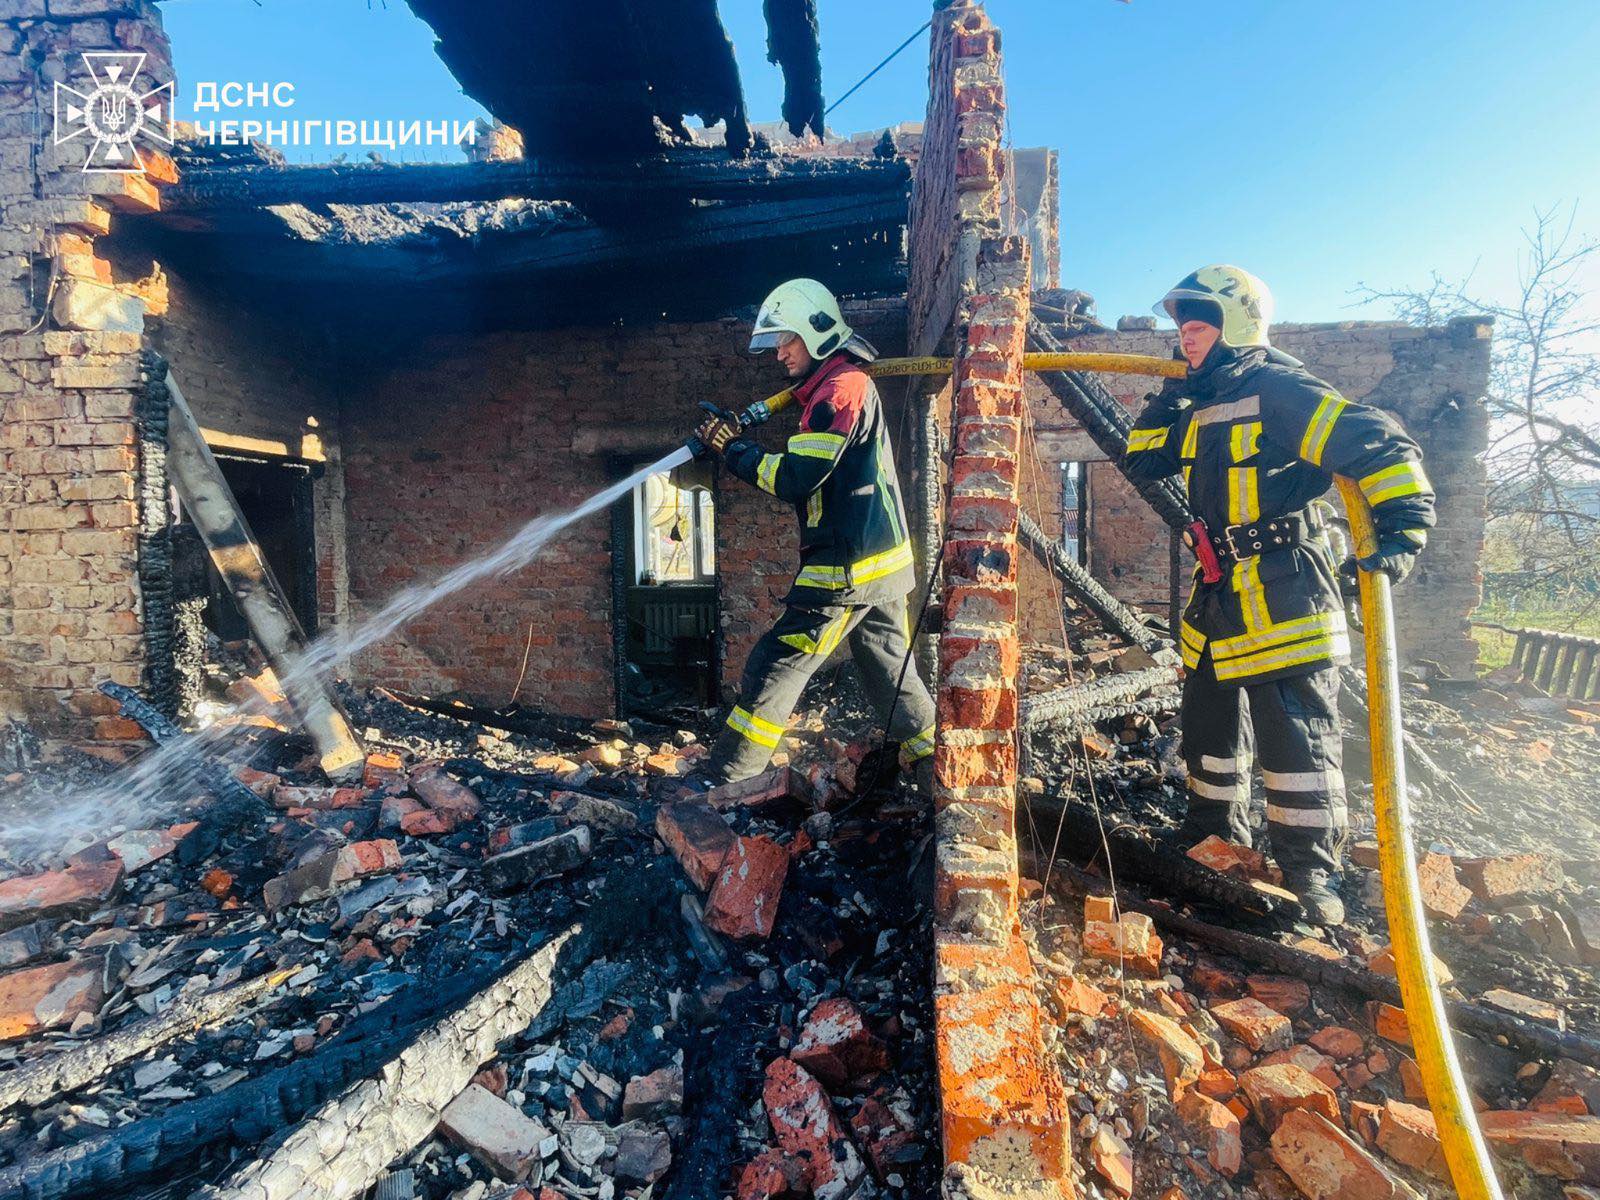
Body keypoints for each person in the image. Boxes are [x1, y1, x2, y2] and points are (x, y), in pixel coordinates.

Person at [1124, 265, 1435, 924]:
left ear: (1237, 322)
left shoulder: (1278, 388)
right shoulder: (1208, 400)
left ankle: (1311, 874)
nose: (1188, 337)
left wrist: (1401, 534)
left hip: (1282, 592)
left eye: (1201, 323)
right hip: (1218, 595)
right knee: (1208, 726)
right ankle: (1213, 833)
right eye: (1182, 327)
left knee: (1296, 740)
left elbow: (1379, 444)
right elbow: (1143, 457)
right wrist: (1175, 390)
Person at [683, 278, 936, 795]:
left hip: (848, 568)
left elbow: (798, 478)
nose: (779, 353)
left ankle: (729, 781)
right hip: (879, 563)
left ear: (816, 333)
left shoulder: (842, 389)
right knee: (889, 669)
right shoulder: (832, 388)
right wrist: (737, 440)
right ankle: (941, 771)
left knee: (776, 664)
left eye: (786, 340)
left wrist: (733, 451)